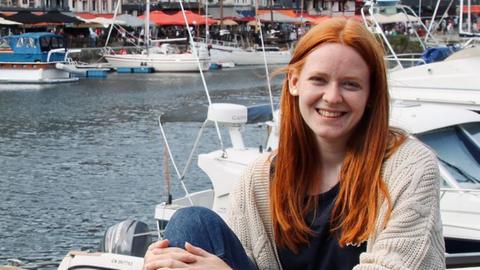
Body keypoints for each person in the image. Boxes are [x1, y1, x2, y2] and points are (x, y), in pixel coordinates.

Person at [143, 17, 445, 270]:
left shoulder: (410, 167)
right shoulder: (261, 179)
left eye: (350, 84)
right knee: (189, 225)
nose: (332, 97)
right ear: (295, 82)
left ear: (370, 96)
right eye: (319, 80)